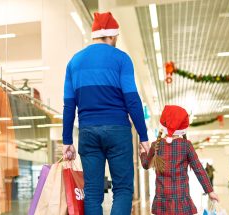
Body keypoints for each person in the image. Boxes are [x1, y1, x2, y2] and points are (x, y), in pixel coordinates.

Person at [62, 12, 150, 215]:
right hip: (118, 130)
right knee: (123, 189)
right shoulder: (121, 59)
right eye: (116, 38)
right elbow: (132, 100)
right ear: (111, 36)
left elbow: (69, 105)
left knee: (92, 193)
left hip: (87, 132)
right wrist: (144, 137)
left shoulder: (74, 62)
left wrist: (67, 140)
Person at [140, 105, 219, 215]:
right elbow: (198, 169)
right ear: (183, 128)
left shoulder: (156, 145)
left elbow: (145, 165)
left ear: (163, 125)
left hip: (162, 202)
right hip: (181, 201)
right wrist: (210, 191)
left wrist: (143, 153)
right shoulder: (186, 145)